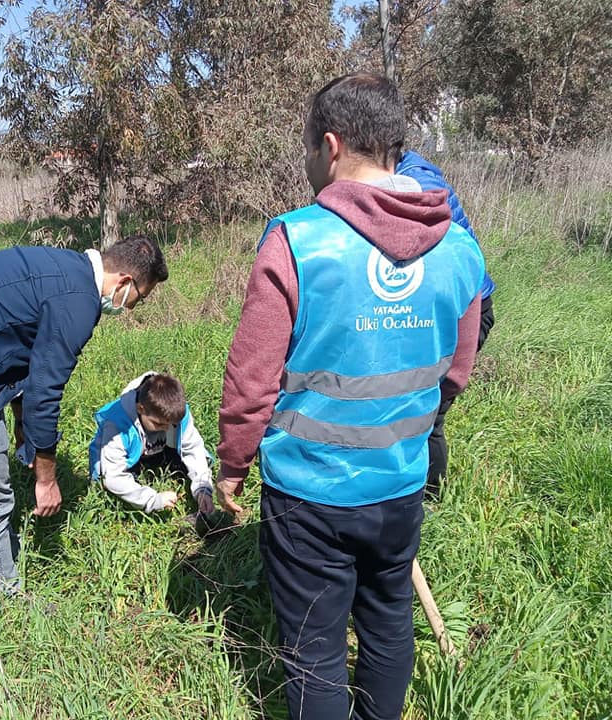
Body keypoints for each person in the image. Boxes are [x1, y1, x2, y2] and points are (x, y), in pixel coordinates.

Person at [214, 74, 485, 720]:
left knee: (315, 649)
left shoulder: (296, 240)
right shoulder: (458, 246)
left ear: (330, 146)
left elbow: (251, 380)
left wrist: (232, 466)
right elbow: (457, 370)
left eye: (309, 148)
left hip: (308, 494)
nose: (308, 162)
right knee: (389, 623)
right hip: (399, 486)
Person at [0, 235, 168, 593]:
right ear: (124, 282)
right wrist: (46, 479)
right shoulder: (78, 303)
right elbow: (44, 392)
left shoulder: (64, 267)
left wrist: (22, 427)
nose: (132, 308)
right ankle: (6, 597)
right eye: (139, 298)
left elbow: (19, 349)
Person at [396, 150, 496, 499]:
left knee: (430, 414)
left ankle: (430, 499)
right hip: (447, 302)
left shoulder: (415, 183)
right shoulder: (408, 172)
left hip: (463, 307)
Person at [89, 371, 215, 514]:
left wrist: (203, 489)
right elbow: (113, 477)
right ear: (140, 409)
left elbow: (193, 449)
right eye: (159, 424)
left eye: (171, 424)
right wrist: (153, 500)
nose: (166, 429)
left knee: (197, 462)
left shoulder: (176, 411)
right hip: (126, 459)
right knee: (116, 486)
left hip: (159, 450)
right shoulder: (117, 425)